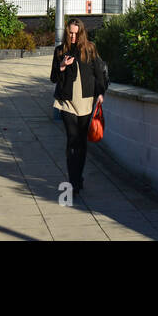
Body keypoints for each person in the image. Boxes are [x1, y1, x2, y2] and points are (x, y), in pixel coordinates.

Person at [51, 18, 108, 197]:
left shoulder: (89, 49)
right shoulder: (60, 51)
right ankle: (73, 181)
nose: (73, 36)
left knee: (81, 142)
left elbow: (100, 74)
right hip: (66, 101)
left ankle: (78, 177)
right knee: (71, 140)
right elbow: (53, 77)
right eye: (70, 33)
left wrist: (100, 93)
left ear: (81, 33)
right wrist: (61, 66)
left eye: (76, 33)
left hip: (85, 101)